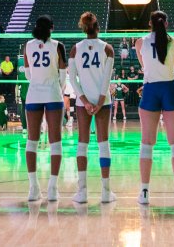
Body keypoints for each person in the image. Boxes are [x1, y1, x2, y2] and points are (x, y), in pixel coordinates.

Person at [135, 10, 174, 205]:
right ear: (166, 23)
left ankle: (144, 192)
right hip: (169, 88)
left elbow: (143, 66)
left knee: (147, 142)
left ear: (150, 24)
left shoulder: (140, 42)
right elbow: (172, 64)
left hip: (150, 89)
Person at [67, 11, 116, 204]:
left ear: (83, 27)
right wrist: (100, 100)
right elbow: (106, 78)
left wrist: (85, 101)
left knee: (82, 144)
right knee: (103, 144)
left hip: (83, 102)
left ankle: (82, 192)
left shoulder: (75, 49)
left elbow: (72, 79)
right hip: (102, 101)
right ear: (97, 27)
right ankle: (105, 192)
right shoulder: (107, 49)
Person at [20, 15, 67, 202]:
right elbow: (63, 75)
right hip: (53, 93)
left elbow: (27, 73)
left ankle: (33, 188)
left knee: (32, 141)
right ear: (52, 27)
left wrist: (37, 83)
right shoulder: (58, 45)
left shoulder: (28, 45)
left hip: (34, 94)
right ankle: (53, 188)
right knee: (55, 141)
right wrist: (56, 87)